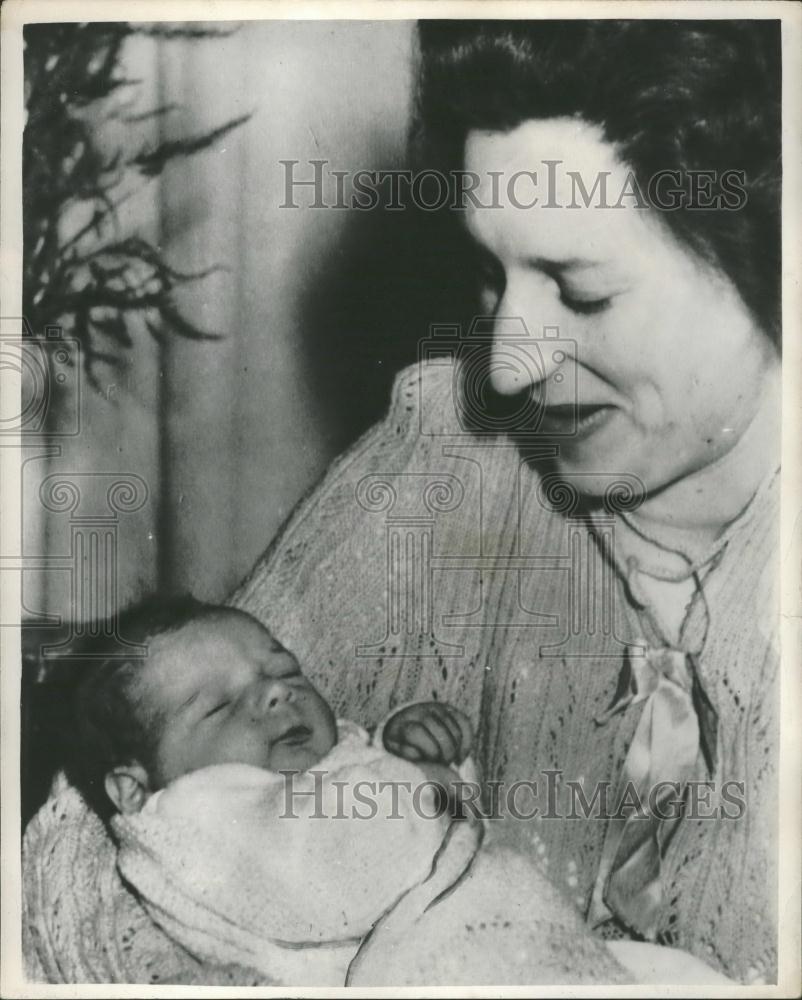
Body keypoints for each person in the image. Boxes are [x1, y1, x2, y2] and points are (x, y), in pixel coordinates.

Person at [23, 19, 781, 987]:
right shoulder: (450, 459)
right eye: (488, 275)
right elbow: (91, 840)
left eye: (579, 293)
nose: (506, 366)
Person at [67, 596, 638, 987]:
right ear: (134, 790)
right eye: (218, 706)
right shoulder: (198, 817)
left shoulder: (305, 763)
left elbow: (374, 787)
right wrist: (414, 783)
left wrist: (405, 742)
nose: (275, 695)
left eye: (286, 672)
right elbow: (339, 865)